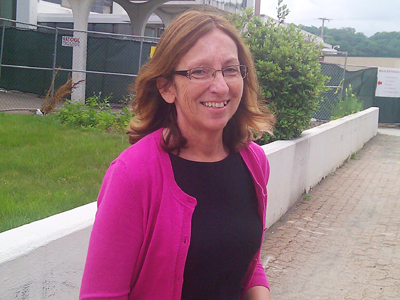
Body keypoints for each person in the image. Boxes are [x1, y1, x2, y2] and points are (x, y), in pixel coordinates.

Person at [80, 9, 275, 300]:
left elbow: (246, 263)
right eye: (199, 71)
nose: (220, 86)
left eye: (231, 69)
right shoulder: (133, 175)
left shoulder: (254, 162)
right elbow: (100, 296)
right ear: (166, 87)